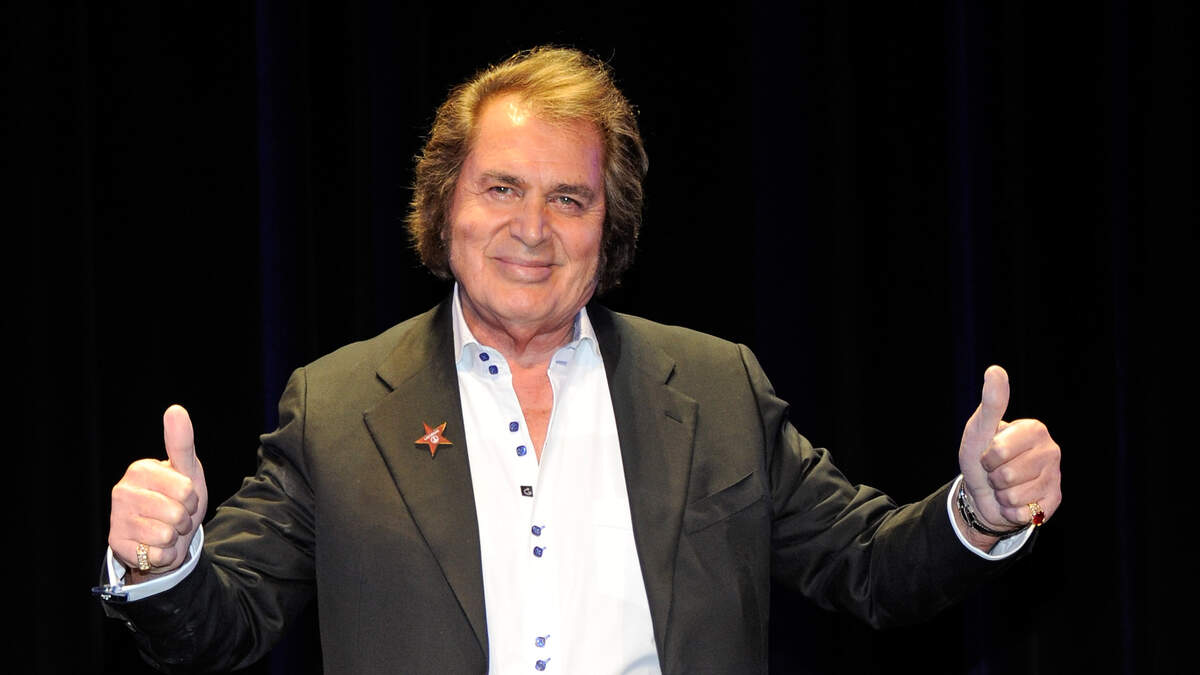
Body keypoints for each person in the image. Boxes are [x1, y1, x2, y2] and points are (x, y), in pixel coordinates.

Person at [99, 47, 1062, 673]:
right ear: (444, 205)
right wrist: (162, 560)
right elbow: (221, 625)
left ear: (611, 227)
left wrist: (979, 509)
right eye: (502, 188)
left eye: (569, 198)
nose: (533, 228)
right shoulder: (340, 405)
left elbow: (870, 567)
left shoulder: (717, 388)